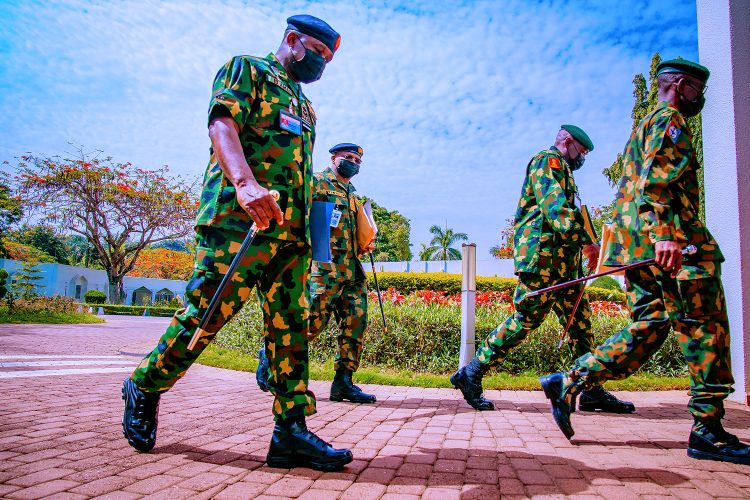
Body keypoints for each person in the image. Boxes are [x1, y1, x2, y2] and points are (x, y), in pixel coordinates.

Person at [121, 14, 354, 472]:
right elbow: (222, 123)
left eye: (329, 59)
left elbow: (299, 172)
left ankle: (291, 431)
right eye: (318, 52)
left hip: (289, 237)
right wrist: (245, 183)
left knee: (290, 335)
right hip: (237, 224)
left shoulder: (305, 107)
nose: (322, 64)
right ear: (293, 40)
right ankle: (145, 383)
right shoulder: (247, 70)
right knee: (204, 318)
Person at [540, 59, 750, 465]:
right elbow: (655, 181)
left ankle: (570, 380)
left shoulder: (645, 125)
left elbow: (633, 187)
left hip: (636, 246)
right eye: (696, 90)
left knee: (652, 323)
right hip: (675, 243)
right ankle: (707, 429)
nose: (699, 98)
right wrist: (666, 233)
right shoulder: (670, 119)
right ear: (681, 85)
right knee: (704, 325)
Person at [451, 125, 634, 414]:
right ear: (567, 141)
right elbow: (556, 209)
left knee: (580, 324)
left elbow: (572, 213)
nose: (582, 158)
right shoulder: (547, 161)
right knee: (526, 318)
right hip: (542, 260)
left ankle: (590, 388)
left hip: (565, 264)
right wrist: (587, 243)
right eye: (581, 151)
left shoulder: (565, 171)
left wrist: (585, 246)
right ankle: (471, 372)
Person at [256, 143, 376, 404]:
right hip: (323, 269)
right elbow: (296, 215)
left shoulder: (352, 194)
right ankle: (270, 355)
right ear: (334, 158)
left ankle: (343, 382)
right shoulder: (316, 182)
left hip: (352, 269)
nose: (353, 162)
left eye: (357, 160)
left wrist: (365, 240)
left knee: (356, 324)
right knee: (311, 324)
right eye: (348, 157)